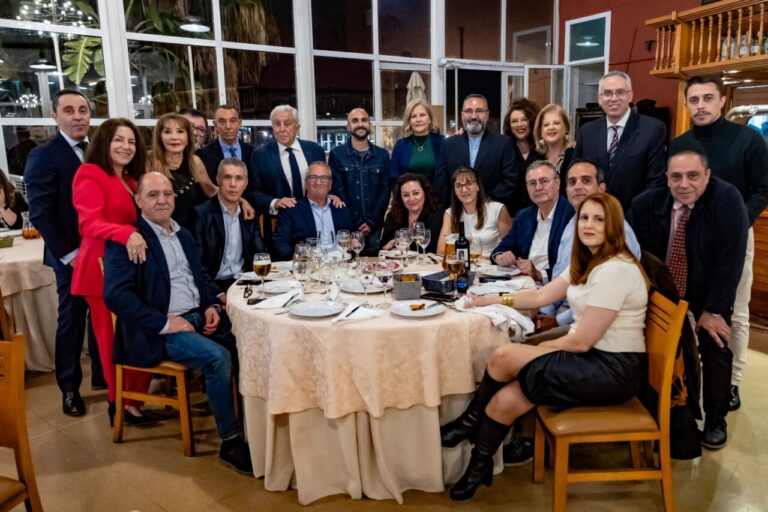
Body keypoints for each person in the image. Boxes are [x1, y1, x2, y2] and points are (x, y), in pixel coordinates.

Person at [441, 192, 649, 501]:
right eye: (584, 218)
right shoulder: (588, 260)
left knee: (504, 355)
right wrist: (491, 299)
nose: (588, 225)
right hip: (590, 358)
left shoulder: (615, 269)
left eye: (599, 219)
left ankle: (470, 422)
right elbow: (540, 297)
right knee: (506, 398)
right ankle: (479, 465)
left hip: (611, 369)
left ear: (614, 226)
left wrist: (531, 355)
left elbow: (581, 341)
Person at [103, 172, 252, 474]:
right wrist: (165, 323)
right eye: (153, 195)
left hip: (196, 316)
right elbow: (117, 297)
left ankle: (252, 427)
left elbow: (200, 276)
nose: (162, 200)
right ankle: (230, 440)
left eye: (167, 194)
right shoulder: (128, 240)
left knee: (249, 342)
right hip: (157, 330)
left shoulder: (182, 234)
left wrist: (211, 304)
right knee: (217, 358)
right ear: (139, 200)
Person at [629, 144, 748, 450]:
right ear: (666, 178)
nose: (684, 184)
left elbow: (730, 260)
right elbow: (633, 255)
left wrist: (714, 310)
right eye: (676, 177)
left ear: (708, 175)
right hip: (663, 287)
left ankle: (715, 417)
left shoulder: (727, 199)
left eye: (693, 176)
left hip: (708, 285)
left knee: (716, 340)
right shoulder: (645, 204)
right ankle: (665, 407)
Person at [670, 74, 768, 412]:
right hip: (686, 233)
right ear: (686, 103)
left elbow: (763, 189)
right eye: (694, 99)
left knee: (734, 312)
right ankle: (695, 379)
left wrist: (739, 221)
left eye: (707, 98)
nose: (701, 106)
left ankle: (732, 383)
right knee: (691, 309)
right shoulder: (680, 144)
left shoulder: (748, 140)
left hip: (735, 237)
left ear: (721, 100)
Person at [24, 89, 104, 416]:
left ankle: (102, 376)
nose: (77, 116)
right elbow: (41, 212)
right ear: (55, 117)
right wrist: (70, 256)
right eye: (69, 110)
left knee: (102, 315)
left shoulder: (97, 151)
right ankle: (69, 388)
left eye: (83, 110)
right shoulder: (45, 155)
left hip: (101, 253)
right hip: (70, 257)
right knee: (71, 321)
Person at [71, 117, 155, 426]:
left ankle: (134, 401)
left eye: (131, 141)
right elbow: (88, 223)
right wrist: (126, 234)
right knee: (110, 340)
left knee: (134, 335)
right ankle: (117, 403)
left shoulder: (131, 180)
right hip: (101, 269)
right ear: (104, 143)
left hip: (130, 268)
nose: (126, 146)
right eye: (119, 140)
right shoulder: (89, 173)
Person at [537, 159, 642, 330]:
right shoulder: (573, 223)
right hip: (563, 312)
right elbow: (558, 279)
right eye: (572, 182)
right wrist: (544, 312)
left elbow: (605, 298)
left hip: (591, 324)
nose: (577, 186)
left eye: (586, 180)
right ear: (566, 190)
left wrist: (556, 321)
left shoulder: (615, 228)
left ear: (601, 188)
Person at [573, 71, 667, 212]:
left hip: (634, 220)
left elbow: (656, 182)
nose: (614, 98)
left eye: (620, 92)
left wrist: (628, 218)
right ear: (599, 98)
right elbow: (575, 175)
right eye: (607, 93)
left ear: (630, 96)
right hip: (593, 216)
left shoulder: (652, 129)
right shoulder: (586, 132)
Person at [248, 104, 327, 248]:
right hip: (278, 226)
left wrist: (330, 195)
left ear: (297, 126)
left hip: (315, 224)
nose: (282, 129)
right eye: (277, 124)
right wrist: (275, 202)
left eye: (287, 123)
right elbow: (253, 192)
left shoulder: (315, 150)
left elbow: (324, 181)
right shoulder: (260, 155)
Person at [193, 158, 266, 298]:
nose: (233, 184)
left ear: (245, 184)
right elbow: (197, 264)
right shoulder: (201, 214)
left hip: (245, 282)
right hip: (215, 285)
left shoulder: (249, 214)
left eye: (239, 179)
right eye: (227, 177)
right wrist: (218, 294)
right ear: (218, 180)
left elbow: (260, 254)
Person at [490, 161, 574, 281]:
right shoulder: (524, 215)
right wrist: (501, 256)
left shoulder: (571, 214)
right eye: (532, 183)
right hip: (521, 282)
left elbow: (570, 269)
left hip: (553, 288)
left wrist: (539, 274)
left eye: (544, 181)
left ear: (557, 183)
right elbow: (501, 248)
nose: (538, 187)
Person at [434, 94, 517, 209]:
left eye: (479, 111)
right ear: (462, 115)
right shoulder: (448, 145)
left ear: (487, 115)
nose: (473, 116)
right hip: (457, 214)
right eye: (468, 111)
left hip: (492, 212)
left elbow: (510, 181)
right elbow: (441, 183)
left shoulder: (503, 143)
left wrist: (482, 201)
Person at [329, 107, 390, 255]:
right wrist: (357, 223)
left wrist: (371, 222)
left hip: (375, 229)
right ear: (348, 126)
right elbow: (339, 191)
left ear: (369, 125)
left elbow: (385, 191)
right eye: (355, 121)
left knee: (373, 270)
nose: (360, 124)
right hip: (348, 229)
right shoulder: (337, 154)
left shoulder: (382, 155)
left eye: (364, 120)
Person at [149, 113, 218, 231]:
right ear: (160, 137)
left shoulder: (195, 162)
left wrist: (241, 201)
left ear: (188, 138)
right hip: (155, 233)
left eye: (180, 131)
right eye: (167, 132)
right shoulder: (149, 161)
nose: (174, 137)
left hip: (187, 234)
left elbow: (212, 191)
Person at [273, 161, 354, 261]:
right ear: (306, 182)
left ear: (330, 184)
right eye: (313, 177)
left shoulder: (341, 208)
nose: (318, 182)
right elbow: (279, 242)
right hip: (309, 266)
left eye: (324, 178)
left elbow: (352, 236)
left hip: (339, 266)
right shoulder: (292, 209)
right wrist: (295, 256)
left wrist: (354, 243)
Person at [436, 166, 512, 257]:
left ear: (478, 186)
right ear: (454, 191)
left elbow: (512, 249)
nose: (464, 189)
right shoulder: (450, 213)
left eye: (469, 183)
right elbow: (441, 251)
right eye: (459, 186)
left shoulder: (498, 209)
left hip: (493, 267)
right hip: (464, 267)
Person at [380, 173, 442, 254]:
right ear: (400, 198)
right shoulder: (392, 216)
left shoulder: (437, 216)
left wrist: (403, 247)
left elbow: (431, 248)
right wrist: (386, 247)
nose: (411, 199)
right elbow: (381, 248)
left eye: (416, 193)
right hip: (398, 264)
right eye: (406, 195)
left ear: (425, 193)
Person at [389, 98, 445, 185]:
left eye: (422, 115)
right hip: (409, 197)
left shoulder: (442, 142)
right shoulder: (400, 145)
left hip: (437, 197)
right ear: (409, 121)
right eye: (413, 116)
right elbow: (394, 177)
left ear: (430, 119)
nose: (418, 119)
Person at [197, 105, 255, 183]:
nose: (228, 126)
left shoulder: (253, 152)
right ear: (215, 125)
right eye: (222, 121)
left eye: (232, 121)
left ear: (239, 123)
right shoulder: (203, 155)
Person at [502, 98, 540, 216]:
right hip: (510, 215)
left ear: (532, 121)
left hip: (539, 212)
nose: (519, 124)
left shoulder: (542, 148)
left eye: (524, 119)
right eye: (514, 121)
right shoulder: (504, 148)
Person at [532, 103, 575, 192]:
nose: (551, 127)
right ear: (540, 131)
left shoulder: (574, 156)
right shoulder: (534, 158)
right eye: (546, 125)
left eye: (556, 123)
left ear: (566, 128)